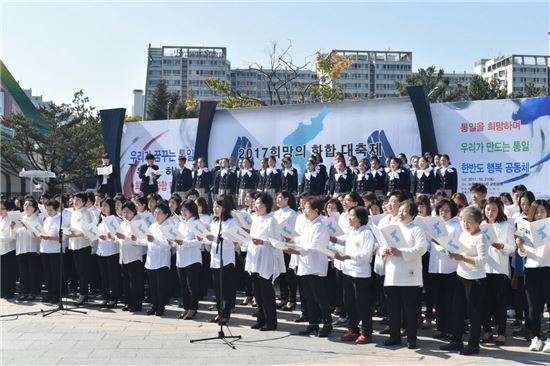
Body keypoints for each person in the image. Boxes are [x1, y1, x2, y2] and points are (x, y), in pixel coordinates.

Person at [379, 200, 427, 349]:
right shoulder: (391, 228)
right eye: (400, 210)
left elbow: (421, 248)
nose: (400, 213)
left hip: (409, 275)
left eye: (405, 211)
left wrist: (401, 252)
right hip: (393, 272)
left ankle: (412, 338)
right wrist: (384, 251)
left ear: (413, 214)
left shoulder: (416, 229)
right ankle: (395, 336)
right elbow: (381, 247)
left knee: (410, 309)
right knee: (393, 308)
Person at [440, 205, 487, 355]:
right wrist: (450, 252)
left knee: (474, 313)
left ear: (478, 222)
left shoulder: (481, 237)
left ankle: (473, 344)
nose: (466, 225)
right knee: (457, 310)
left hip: (475, 279)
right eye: (464, 221)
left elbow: (481, 260)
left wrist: (462, 257)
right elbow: (458, 249)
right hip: (461, 275)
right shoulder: (464, 234)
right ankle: (456, 341)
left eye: (470, 222)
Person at [284, 197, 333, 338]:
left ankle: (327, 324)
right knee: (308, 297)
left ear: (316, 210)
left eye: (307, 208)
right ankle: (313, 324)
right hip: (304, 265)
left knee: (320, 297)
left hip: (316, 266)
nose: (304, 210)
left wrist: (294, 251)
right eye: (304, 208)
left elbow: (312, 246)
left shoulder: (320, 225)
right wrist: (291, 241)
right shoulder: (308, 223)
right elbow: (301, 239)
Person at [331, 206, 376, 344]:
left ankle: (366, 332)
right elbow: (346, 242)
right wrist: (335, 240)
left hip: (360, 274)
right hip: (348, 271)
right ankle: (353, 329)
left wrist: (348, 257)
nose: (349, 218)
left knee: (361, 304)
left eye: (352, 216)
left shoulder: (366, 233)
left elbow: (366, 255)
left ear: (360, 218)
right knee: (349, 302)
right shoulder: (351, 231)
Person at [247, 192, 286, 331]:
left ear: (266, 205)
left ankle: (271, 322)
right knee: (257, 291)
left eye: (258, 204)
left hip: (266, 258)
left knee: (266, 292)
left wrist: (263, 242)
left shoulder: (271, 220)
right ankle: (261, 319)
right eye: (255, 203)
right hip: (255, 257)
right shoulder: (255, 219)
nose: (255, 206)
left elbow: (276, 241)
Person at [515, 200, 550, 352]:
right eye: (536, 212)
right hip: (532, 269)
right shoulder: (523, 226)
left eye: (542, 211)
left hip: (548, 268)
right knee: (533, 308)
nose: (539, 214)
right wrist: (520, 245)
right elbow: (520, 252)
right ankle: (536, 337)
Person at [480, 197, 515, 345]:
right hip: (483, 268)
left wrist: (503, 247)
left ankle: (501, 333)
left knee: (500, 303)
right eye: (488, 209)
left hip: (500, 269)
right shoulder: (481, 225)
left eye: (494, 209)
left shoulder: (506, 225)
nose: (491, 212)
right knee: (485, 302)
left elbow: (512, 247)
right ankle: (487, 331)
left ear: (499, 210)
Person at [201, 196, 239, 325]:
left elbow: (233, 241)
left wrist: (216, 238)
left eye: (218, 206)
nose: (215, 209)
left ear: (225, 207)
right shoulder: (214, 221)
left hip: (226, 259)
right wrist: (203, 237)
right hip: (215, 258)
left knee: (226, 288)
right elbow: (211, 239)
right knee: (217, 288)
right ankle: (219, 312)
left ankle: (226, 313)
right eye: (214, 206)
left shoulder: (231, 222)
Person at [430, 199, 461, 340]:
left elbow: (457, 247)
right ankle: (441, 328)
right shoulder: (435, 224)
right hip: (436, 266)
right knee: (438, 300)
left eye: (447, 210)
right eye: (441, 210)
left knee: (449, 301)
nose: (444, 212)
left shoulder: (456, 226)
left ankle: (451, 329)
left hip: (450, 267)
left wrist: (441, 244)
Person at [138, 202, 172, 316]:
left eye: (159, 213)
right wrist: (136, 240)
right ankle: (154, 305)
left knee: (161, 285)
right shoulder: (152, 226)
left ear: (166, 214)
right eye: (155, 213)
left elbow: (168, 245)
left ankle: (161, 306)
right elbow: (147, 241)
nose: (156, 216)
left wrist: (155, 240)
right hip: (151, 259)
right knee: (152, 285)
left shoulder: (169, 226)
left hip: (162, 260)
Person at [173, 199, 203, 320]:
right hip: (181, 259)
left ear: (192, 211)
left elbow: (199, 241)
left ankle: (193, 308)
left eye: (185, 210)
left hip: (192, 259)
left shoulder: (197, 223)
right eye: (181, 210)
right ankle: (186, 307)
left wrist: (184, 242)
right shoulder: (181, 223)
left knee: (192, 286)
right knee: (183, 286)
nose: (183, 212)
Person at [115, 202, 145, 312]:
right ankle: (128, 302)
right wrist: (118, 237)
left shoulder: (139, 223)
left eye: (128, 212)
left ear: (134, 211)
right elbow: (118, 238)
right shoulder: (123, 223)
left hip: (134, 256)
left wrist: (124, 237)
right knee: (126, 281)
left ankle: (136, 304)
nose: (126, 214)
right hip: (124, 256)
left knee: (135, 282)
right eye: (124, 212)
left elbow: (140, 240)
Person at [64, 192, 94, 305]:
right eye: (74, 199)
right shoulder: (74, 213)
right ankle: (83, 292)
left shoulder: (86, 213)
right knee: (78, 271)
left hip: (83, 245)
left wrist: (73, 234)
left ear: (84, 202)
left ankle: (83, 293)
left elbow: (87, 232)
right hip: (74, 245)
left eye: (78, 200)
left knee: (83, 271)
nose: (75, 202)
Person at [273, 191, 298, 311]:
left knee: (289, 275)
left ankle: (292, 300)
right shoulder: (275, 213)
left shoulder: (292, 213)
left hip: (287, 247)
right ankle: (283, 297)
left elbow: (293, 231)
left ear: (287, 199)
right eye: (277, 198)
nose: (278, 200)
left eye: (280, 198)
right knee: (281, 274)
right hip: (277, 246)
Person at [97, 198, 122, 308]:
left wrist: (111, 237)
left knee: (113, 276)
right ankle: (105, 297)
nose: (103, 208)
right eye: (102, 206)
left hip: (113, 251)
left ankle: (114, 298)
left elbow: (119, 236)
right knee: (104, 276)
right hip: (102, 251)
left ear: (111, 207)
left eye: (106, 206)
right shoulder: (101, 219)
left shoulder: (116, 219)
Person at [15, 199, 42, 301]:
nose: (26, 207)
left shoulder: (37, 219)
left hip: (32, 249)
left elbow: (38, 234)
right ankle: (24, 292)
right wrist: (13, 227)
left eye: (29, 205)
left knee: (32, 271)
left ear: (34, 208)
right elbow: (14, 235)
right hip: (21, 248)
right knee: (23, 272)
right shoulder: (20, 218)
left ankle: (33, 292)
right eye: (25, 205)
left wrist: (27, 226)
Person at [39, 200, 62, 303]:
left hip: (55, 251)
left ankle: (56, 295)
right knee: (47, 274)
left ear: (56, 209)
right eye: (47, 210)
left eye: (51, 210)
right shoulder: (47, 219)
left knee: (55, 274)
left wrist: (48, 237)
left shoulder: (60, 219)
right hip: (44, 250)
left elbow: (61, 238)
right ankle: (49, 293)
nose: (49, 212)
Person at [1, 200, 17, 299]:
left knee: (9, 273)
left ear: (7, 209)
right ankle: (2, 291)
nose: (0, 210)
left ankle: (10, 291)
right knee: (2, 273)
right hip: (1, 249)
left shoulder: (10, 219)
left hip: (9, 249)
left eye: (2, 208)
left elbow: (12, 237)